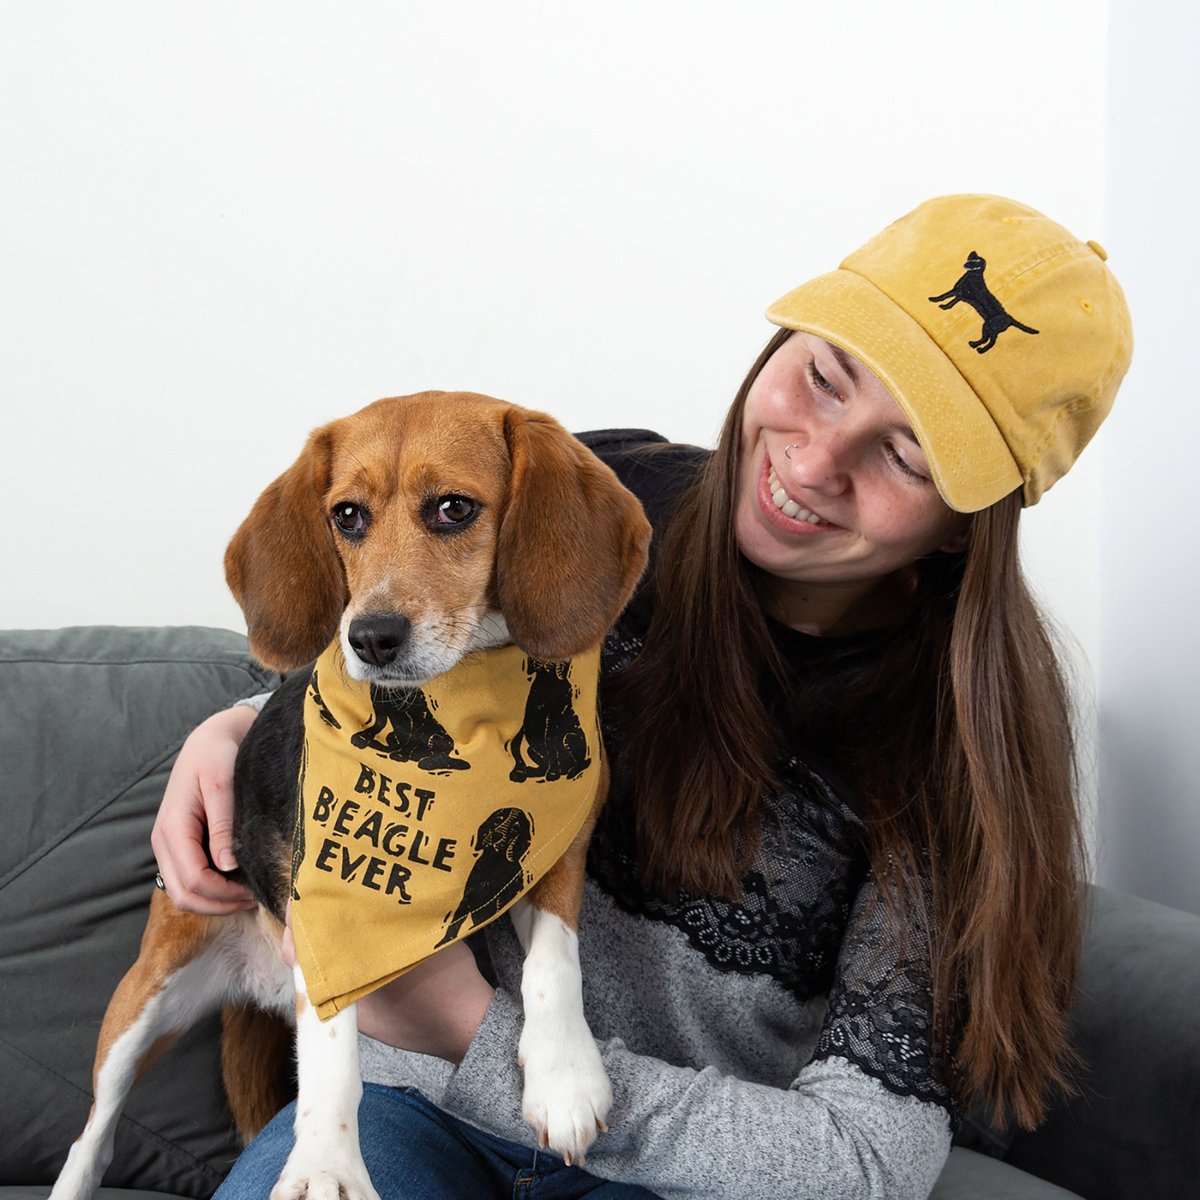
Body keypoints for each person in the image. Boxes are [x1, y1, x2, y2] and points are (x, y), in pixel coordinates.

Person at [151, 194, 1133, 1200]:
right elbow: (375, 646)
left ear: (968, 523)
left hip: (673, 1180)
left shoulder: (956, 743)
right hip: (402, 1115)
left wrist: (469, 1031)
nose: (813, 462)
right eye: (823, 377)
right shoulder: (593, 494)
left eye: (903, 455)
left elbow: (868, 1161)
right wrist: (235, 730)